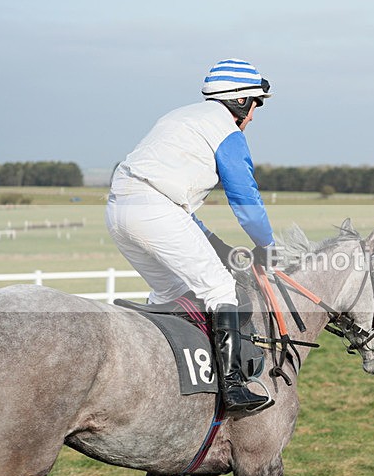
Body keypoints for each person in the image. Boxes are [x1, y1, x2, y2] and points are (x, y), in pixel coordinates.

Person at [106, 58, 277, 412]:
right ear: (241, 101)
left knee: (171, 293)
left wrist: (219, 246)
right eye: (255, 106)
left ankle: (159, 377)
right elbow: (244, 195)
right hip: (154, 211)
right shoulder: (226, 132)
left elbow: (179, 211)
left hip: (120, 208)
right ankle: (233, 389)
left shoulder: (178, 117)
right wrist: (266, 243)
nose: (253, 119)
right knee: (219, 288)